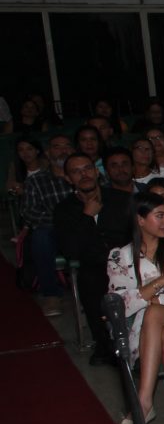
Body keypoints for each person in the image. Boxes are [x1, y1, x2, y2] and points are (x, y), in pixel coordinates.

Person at [107, 192, 164, 424]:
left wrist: (148, 296)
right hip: (146, 332)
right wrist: (160, 282)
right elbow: (119, 305)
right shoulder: (120, 256)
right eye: (160, 216)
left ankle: (144, 401)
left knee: (155, 313)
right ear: (140, 219)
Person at [54, 152, 134, 364]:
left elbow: (136, 234)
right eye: (76, 172)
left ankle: (134, 339)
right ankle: (104, 344)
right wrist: (87, 216)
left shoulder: (121, 199)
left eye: (88, 168)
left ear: (97, 171)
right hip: (95, 266)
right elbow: (70, 250)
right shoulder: (64, 210)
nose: (84, 175)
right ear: (68, 178)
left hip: (128, 261)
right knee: (90, 278)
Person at [20, 131, 74, 315]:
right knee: (41, 236)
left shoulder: (86, 175)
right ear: (48, 153)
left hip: (84, 228)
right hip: (54, 231)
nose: (63, 151)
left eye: (67, 146)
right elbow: (29, 212)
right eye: (57, 147)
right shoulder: (36, 181)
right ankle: (51, 295)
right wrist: (61, 220)